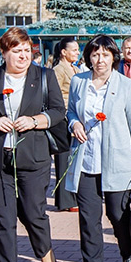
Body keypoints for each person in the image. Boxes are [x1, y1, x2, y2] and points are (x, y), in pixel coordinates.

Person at [66, 35, 131, 262]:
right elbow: (70, 111)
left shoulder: (125, 85)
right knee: (88, 220)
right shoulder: (79, 82)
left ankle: (127, 252)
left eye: (104, 55)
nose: (99, 60)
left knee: (117, 214)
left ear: (114, 56)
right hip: (86, 160)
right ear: (88, 57)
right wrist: (74, 123)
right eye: (94, 54)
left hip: (118, 160)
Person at [0, 27, 64, 262]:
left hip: (33, 156)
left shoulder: (44, 76)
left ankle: (44, 249)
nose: (23, 56)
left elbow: (57, 112)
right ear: (4, 53)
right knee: (1, 217)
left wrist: (34, 121)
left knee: (33, 212)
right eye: (16, 51)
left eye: (26, 51)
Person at [51, 36, 80, 212]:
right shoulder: (58, 70)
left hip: (75, 117)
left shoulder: (75, 68)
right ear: (64, 52)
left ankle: (73, 196)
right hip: (63, 119)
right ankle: (65, 200)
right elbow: (55, 95)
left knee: (73, 159)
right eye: (74, 49)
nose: (77, 52)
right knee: (63, 159)